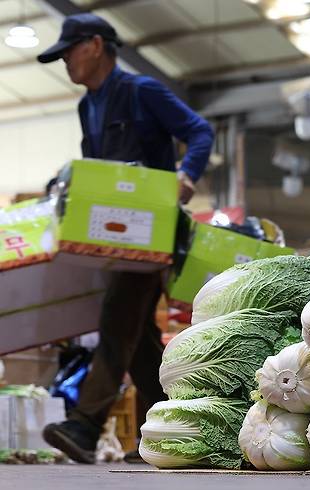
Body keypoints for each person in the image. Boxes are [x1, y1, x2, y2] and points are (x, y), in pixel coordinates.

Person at [37, 13, 214, 464]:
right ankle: (167, 430)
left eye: (68, 52)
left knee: (118, 317)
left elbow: (199, 131)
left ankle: (85, 425)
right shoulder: (86, 106)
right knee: (139, 338)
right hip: (110, 233)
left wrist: (186, 176)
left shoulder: (141, 91)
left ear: (95, 45)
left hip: (150, 234)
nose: (65, 64)